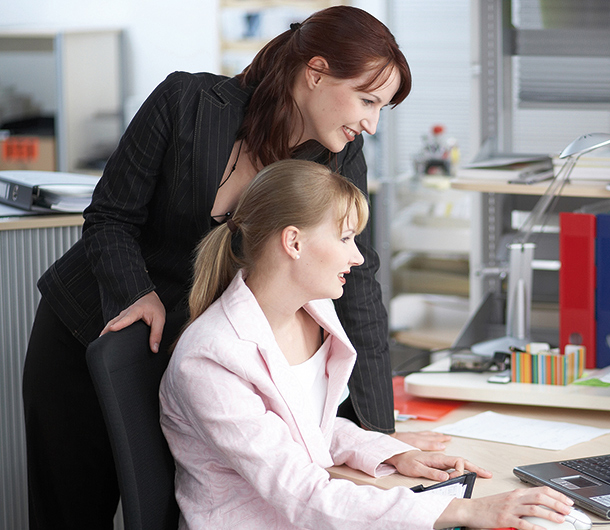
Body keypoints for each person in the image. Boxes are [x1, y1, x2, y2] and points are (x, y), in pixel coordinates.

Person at [21, 6, 445, 529]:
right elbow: (110, 215)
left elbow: (357, 283)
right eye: (367, 100)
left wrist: (382, 430)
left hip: (189, 356)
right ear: (315, 72)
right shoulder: (187, 102)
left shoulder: (336, 159)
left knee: (162, 506)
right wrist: (135, 292)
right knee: (69, 510)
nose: (371, 123)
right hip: (91, 326)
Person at [159, 159, 575, 529]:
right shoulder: (211, 357)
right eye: (345, 239)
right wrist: (465, 512)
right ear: (294, 242)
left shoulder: (311, 312)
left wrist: (392, 453)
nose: (357, 257)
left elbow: (305, 426)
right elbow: (302, 496)